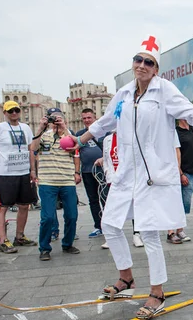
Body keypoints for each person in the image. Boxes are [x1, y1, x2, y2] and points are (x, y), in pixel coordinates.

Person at [73, 35, 193, 320]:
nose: (141, 65)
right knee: (110, 224)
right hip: (126, 173)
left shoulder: (164, 91)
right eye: (138, 60)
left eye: (148, 62)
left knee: (149, 233)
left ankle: (157, 292)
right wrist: (81, 140)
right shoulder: (125, 94)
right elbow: (106, 122)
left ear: (156, 68)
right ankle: (126, 278)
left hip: (152, 175)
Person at [0, 100, 38, 253]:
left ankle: (19, 236)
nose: (14, 113)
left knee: (24, 205)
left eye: (16, 110)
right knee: (2, 207)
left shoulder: (25, 128)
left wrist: (32, 171)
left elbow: (30, 151)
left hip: (23, 172)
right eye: (10, 111)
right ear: (5, 113)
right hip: (6, 174)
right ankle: (3, 240)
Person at [30, 108, 81, 261]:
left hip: (66, 181)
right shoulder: (44, 135)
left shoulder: (69, 135)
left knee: (72, 215)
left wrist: (64, 128)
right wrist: (41, 127)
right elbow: (33, 148)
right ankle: (44, 248)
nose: (55, 122)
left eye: (58, 118)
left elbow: (78, 147)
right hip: (47, 181)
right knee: (47, 217)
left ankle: (68, 244)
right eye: (53, 119)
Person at [97, 130, 144, 249]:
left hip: (130, 178)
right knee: (113, 207)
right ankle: (113, 236)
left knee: (135, 206)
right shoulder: (107, 139)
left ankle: (136, 234)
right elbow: (106, 159)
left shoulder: (132, 136)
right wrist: (107, 172)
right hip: (114, 179)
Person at [76, 108, 108, 238]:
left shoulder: (104, 133)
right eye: (84, 118)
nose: (87, 120)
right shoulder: (80, 134)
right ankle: (98, 226)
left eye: (89, 117)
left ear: (95, 118)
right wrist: (76, 172)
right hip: (87, 171)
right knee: (93, 200)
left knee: (105, 198)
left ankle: (108, 225)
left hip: (103, 171)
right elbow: (76, 154)